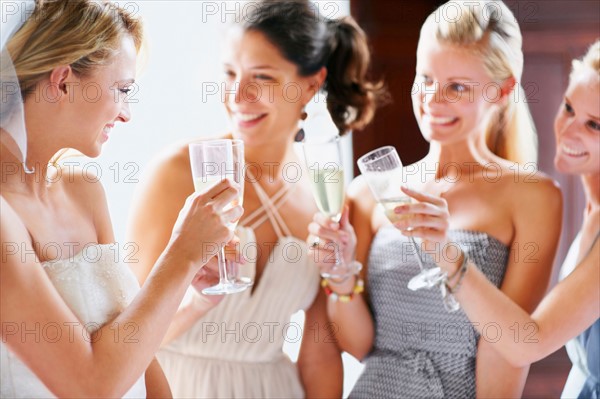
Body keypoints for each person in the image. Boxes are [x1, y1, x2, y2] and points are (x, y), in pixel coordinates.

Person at [126, 0, 385, 397]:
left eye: (261, 77)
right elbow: (128, 336)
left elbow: (318, 355)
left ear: (311, 85)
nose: (237, 95)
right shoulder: (176, 175)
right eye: (229, 73)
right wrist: (197, 300)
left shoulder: (322, 200)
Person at [308, 1, 563, 397]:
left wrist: (445, 252)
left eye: (456, 86)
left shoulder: (534, 198)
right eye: (425, 78)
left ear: (502, 89)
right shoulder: (368, 192)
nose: (433, 99)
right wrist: (339, 276)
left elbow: (509, 347)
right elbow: (359, 347)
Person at [0, 1, 241, 397]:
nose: (126, 114)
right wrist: (182, 255)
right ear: (62, 82)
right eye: (122, 90)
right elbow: (90, 385)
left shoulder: (84, 192)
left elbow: (136, 355)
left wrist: (197, 296)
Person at [401, 40, 600, 399]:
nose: (568, 131)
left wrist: (447, 256)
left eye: (594, 125)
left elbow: (528, 342)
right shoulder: (591, 211)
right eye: (569, 108)